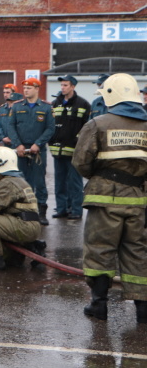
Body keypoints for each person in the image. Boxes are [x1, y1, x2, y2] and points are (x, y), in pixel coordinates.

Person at [71, 73, 147, 323]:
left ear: (111, 96)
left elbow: (81, 162)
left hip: (104, 199)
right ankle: (143, 311)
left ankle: (99, 305)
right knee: (137, 253)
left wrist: (101, 176)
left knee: (100, 250)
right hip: (139, 201)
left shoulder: (98, 124)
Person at [8, 78, 56, 225]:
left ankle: (41, 211)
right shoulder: (16, 107)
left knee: (39, 181)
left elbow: (50, 128)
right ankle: (25, 211)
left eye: (29, 88)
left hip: (37, 150)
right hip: (21, 149)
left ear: (37, 89)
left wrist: (38, 144)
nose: (26, 90)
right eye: (25, 88)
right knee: (22, 181)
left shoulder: (47, 107)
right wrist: (17, 145)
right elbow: (11, 127)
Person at [48, 75, 91, 220]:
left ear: (73, 86)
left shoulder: (83, 104)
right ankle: (62, 209)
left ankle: (76, 210)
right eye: (62, 85)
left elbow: (87, 127)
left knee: (75, 182)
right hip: (57, 150)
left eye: (65, 85)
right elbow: (50, 125)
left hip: (74, 151)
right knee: (59, 182)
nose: (62, 88)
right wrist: (52, 141)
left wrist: (79, 143)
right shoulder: (55, 103)